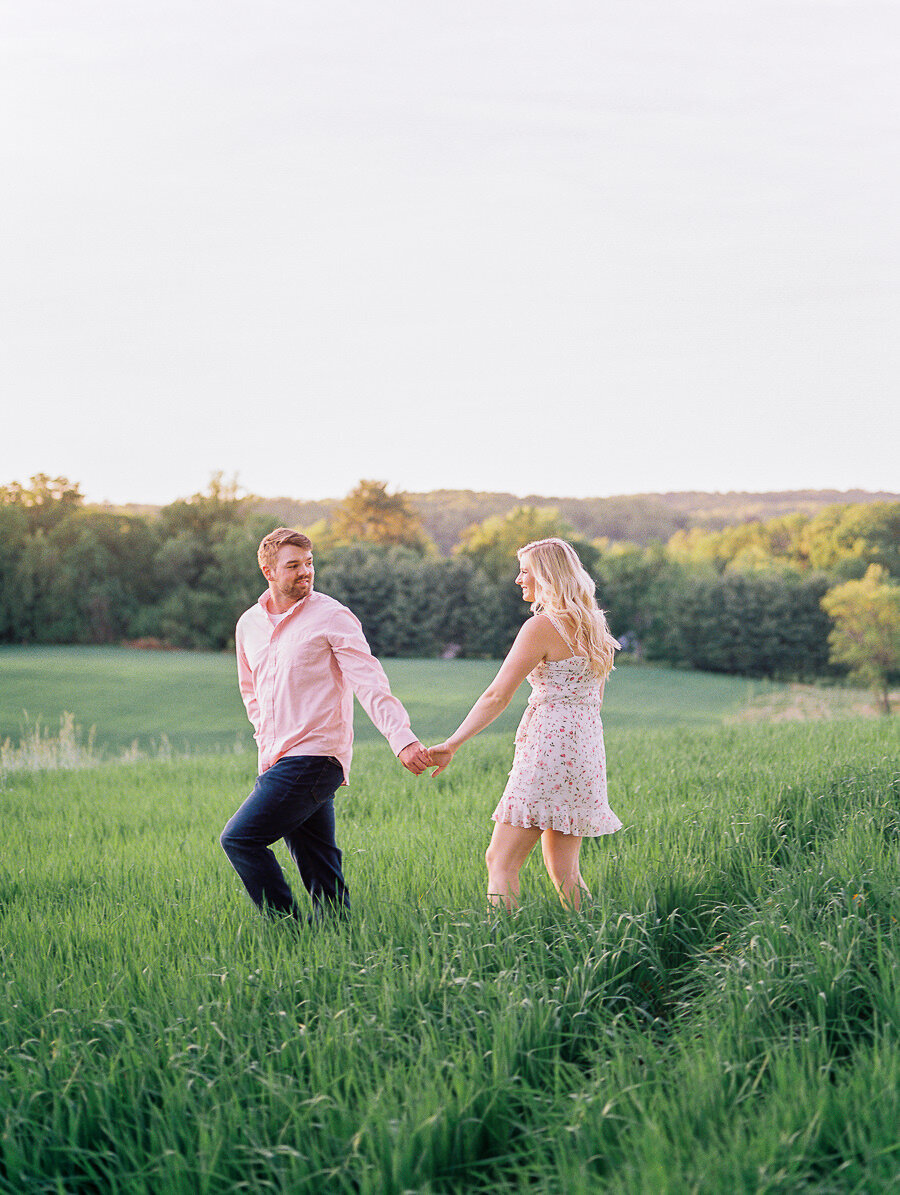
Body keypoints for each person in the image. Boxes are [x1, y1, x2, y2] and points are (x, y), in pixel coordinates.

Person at [220, 527, 430, 922]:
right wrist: (265, 741)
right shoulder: (248, 624)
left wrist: (401, 739)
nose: (306, 572)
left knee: (240, 839)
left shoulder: (332, 616)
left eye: (310, 563)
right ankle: (337, 940)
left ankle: (288, 931)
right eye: (294, 565)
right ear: (268, 570)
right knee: (320, 866)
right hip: (277, 759)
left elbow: (369, 681)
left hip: (316, 756)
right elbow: (251, 691)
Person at [427, 537, 622, 911]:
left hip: (548, 748)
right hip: (585, 751)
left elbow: (497, 696)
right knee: (565, 870)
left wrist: (452, 743)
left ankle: (504, 948)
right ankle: (595, 937)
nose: (519, 579)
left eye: (525, 571)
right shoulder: (595, 626)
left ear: (547, 577)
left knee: (500, 861)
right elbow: (594, 700)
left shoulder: (541, 627)